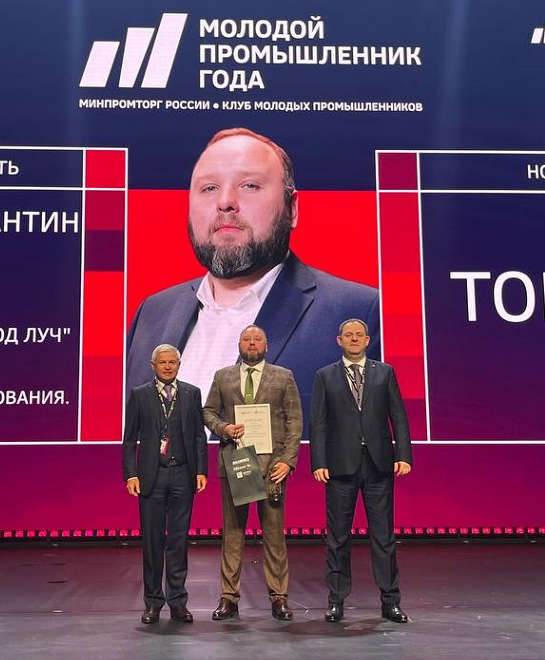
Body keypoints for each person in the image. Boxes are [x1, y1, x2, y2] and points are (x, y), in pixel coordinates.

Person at [125, 127, 379, 433]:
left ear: (292, 209)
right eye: (209, 188)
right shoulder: (152, 313)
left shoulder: (362, 313)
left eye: (249, 185)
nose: (225, 202)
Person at [310, 318, 413, 623]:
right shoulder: (325, 375)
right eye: (348, 335)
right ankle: (336, 600)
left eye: (359, 335)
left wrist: (403, 454)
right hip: (339, 466)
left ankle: (391, 601)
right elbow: (319, 422)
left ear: (368, 340)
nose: (354, 339)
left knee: (383, 536)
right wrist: (319, 461)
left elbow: (398, 416)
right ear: (339, 340)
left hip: (379, 465)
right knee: (338, 537)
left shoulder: (385, 372)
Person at [202, 325, 302, 621]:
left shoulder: (283, 376)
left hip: (273, 467)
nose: (252, 343)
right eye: (247, 339)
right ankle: (228, 598)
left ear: (266, 345)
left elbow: (295, 421)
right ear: (239, 344)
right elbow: (208, 411)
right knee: (233, 533)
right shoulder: (223, 376)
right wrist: (224, 428)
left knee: (274, 535)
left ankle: (279, 597)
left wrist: (288, 461)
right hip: (237, 463)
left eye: (258, 339)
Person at [122, 344, 208, 624]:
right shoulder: (140, 395)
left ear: (179, 365)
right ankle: (153, 602)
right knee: (152, 541)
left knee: (178, 541)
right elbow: (129, 440)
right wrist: (131, 474)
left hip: (183, 474)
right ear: (153, 365)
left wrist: (201, 470)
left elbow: (199, 436)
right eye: (163, 362)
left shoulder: (192, 393)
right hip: (152, 476)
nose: (168, 366)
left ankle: (178, 601)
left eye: (172, 362)